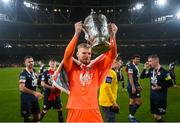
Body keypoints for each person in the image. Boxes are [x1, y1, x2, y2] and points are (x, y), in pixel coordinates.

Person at [63, 21, 117, 122]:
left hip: (93, 109)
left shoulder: (96, 67)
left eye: (89, 53)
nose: (87, 55)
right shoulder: (71, 68)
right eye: (83, 53)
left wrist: (112, 35)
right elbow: (67, 55)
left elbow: (112, 55)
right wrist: (76, 34)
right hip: (75, 109)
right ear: (77, 54)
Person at [140, 54, 173, 122]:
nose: (149, 63)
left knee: (157, 117)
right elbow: (142, 76)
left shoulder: (164, 72)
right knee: (155, 116)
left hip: (160, 98)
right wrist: (145, 68)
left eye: (150, 61)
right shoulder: (151, 70)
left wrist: (160, 87)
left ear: (156, 61)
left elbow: (170, 83)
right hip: (153, 97)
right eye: (148, 61)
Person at [19, 56, 42, 122]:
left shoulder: (33, 71)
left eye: (32, 61)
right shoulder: (23, 73)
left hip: (34, 98)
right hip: (26, 98)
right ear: (25, 63)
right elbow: (21, 88)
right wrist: (35, 93)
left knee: (37, 117)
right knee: (27, 118)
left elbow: (36, 77)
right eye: (29, 62)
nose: (31, 63)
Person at [99, 56, 121, 122]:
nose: (121, 64)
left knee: (110, 119)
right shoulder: (110, 72)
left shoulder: (108, 70)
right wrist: (113, 103)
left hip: (105, 100)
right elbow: (107, 87)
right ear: (115, 62)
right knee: (111, 120)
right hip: (108, 102)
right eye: (120, 62)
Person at [126, 54, 142, 123]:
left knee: (132, 101)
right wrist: (133, 87)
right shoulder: (131, 66)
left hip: (135, 85)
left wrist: (139, 85)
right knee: (139, 102)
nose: (138, 60)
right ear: (133, 59)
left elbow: (135, 77)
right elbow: (130, 77)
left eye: (139, 59)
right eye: (136, 59)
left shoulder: (134, 66)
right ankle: (131, 116)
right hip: (132, 86)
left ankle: (131, 117)